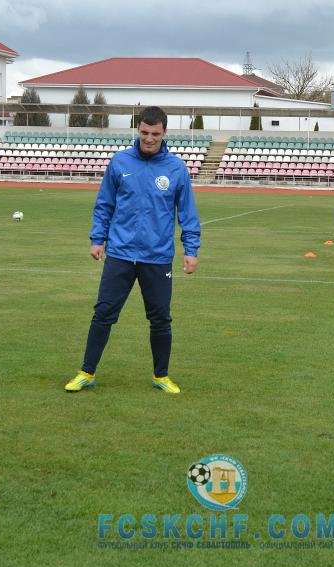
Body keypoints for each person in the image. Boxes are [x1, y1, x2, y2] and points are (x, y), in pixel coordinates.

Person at [65, 106, 200, 395]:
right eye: (144, 133)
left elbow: (187, 213)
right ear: (137, 130)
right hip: (120, 254)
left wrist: (191, 249)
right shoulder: (120, 162)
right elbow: (104, 204)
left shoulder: (176, 168)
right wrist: (97, 238)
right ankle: (86, 372)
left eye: (155, 134)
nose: (149, 139)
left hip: (157, 257)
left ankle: (161, 376)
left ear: (164, 133)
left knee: (160, 319)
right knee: (103, 314)